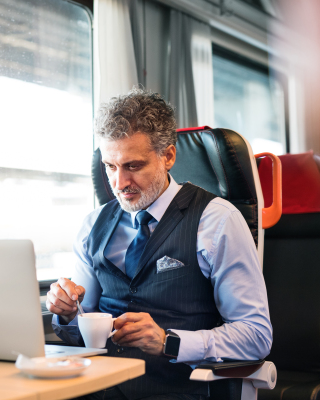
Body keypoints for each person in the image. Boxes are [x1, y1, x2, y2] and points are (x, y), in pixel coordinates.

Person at [47, 88, 272, 400]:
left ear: (168, 156)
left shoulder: (217, 220)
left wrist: (170, 342)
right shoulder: (92, 225)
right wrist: (68, 312)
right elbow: (82, 328)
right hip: (98, 386)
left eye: (133, 166)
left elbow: (256, 336)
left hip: (176, 390)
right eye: (111, 166)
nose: (119, 183)